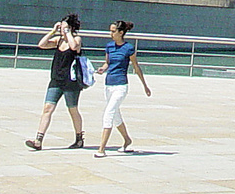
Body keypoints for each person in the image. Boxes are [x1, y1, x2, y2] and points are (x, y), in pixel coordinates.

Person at [26, 13, 84, 151]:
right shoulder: (58, 40)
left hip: (71, 82)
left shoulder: (76, 39)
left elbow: (74, 47)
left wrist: (68, 33)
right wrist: (53, 31)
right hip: (56, 80)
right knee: (47, 109)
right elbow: (41, 44)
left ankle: (79, 138)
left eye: (64, 26)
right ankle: (38, 140)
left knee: (72, 109)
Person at [94, 20, 151, 157]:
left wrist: (145, 85)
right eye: (110, 31)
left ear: (121, 33)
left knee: (108, 113)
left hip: (121, 85)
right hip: (108, 85)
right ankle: (127, 140)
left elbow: (136, 67)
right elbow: (108, 63)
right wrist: (102, 69)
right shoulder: (109, 46)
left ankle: (101, 149)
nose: (111, 33)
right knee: (115, 116)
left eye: (113, 31)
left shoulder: (128, 48)